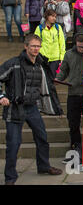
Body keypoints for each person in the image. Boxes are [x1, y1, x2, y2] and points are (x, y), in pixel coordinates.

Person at [0, 35, 63, 185]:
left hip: (32, 107)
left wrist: (55, 107)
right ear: (26, 46)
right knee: (13, 144)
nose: (36, 49)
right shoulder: (13, 63)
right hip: (14, 108)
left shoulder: (40, 65)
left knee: (42, 137)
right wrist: (1, 96)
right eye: (33, 46)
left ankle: (43, 166)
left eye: (38, 46)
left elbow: (48, 86)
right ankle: (10, 177)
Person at [56, 32, 83, 165]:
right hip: (73, 94)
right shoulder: (69, 54)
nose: (82, 49)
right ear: (75, 44)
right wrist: (58, 79)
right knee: (73, 123)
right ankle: (76, 149)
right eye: (80, 47)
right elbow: (63, 70)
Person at [34, 9, 66, 79]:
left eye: (55, 16)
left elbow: (62, 43)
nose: (54, 18)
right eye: (52, 16)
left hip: (55, 58)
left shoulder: (58, 28)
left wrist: (62, 56)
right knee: (43, 78)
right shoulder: (39, 28)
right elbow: (35, 43)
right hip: (43, 57)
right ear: (47, 17)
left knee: (52, 78)